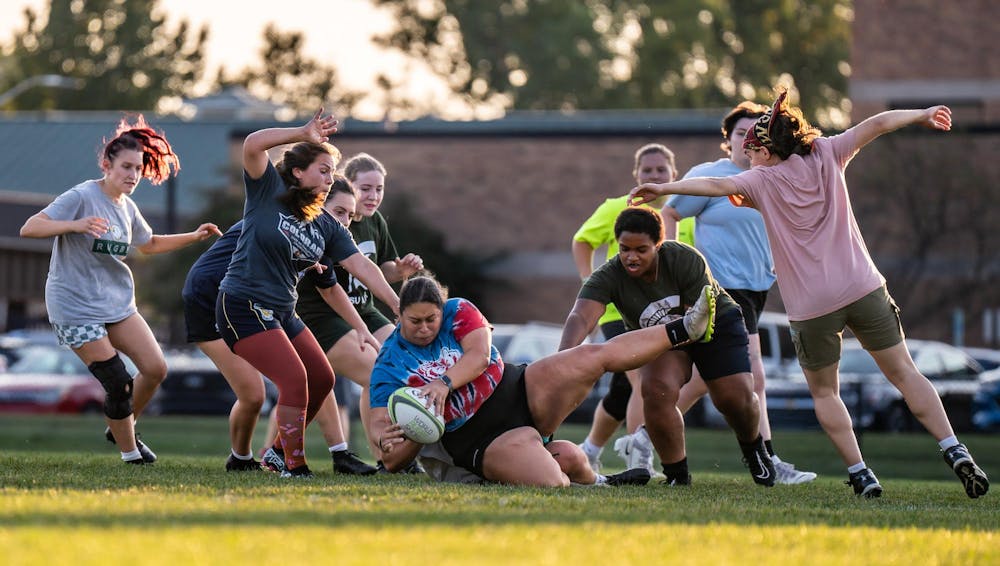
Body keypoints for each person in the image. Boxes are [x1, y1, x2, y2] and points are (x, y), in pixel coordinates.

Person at [630, 91, 989, 499]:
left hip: (812, 307)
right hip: (863, 287)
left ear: (766, 148)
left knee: (825, 392)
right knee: (905, 373)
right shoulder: (827, 152)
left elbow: (714, 184)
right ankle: (954, 448)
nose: (747, 159)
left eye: (751, 150)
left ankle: (861, 473)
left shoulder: (760, 179)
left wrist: (664, 186)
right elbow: (876, 124)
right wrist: (922, 113)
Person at [370, 273, 718, 487]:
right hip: (476, 439)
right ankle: (592, 479)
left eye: (431, 318)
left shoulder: (457, 310)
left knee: (590, 357)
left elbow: (478, 358)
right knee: (554, 477)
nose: (426, 327)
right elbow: (391, 459)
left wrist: (443, 384)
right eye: (414, 322)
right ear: (398, 315)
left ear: (441, 308)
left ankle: (684, 328)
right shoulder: (388, 365)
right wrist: (415, 429)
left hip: (517, 388)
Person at [19, 115, 222, 464]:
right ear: (106, 164)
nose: (132, 175)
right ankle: (131, 454)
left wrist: (194, 236)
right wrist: (76, 224)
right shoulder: (82, 196)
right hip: (75, 305)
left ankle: (120, 424)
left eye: (138, 169)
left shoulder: (127, 207)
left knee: (156, 369)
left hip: (117, 304)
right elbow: (29, 227)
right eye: (126, 167)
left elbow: (150, 243)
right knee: (117, 380)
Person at [217, 109, 399, 478]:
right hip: (242, 303)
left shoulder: (328, 225)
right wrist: (302, 133)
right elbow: (252, 145)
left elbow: (362, 267)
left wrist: (398, 306)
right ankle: (293, 465)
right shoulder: (269, 192)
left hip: (282, 311)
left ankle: (276, 454)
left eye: (333, 172)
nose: (331, 179)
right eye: (324, 170)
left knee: (322, 378)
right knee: (295, 380)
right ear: (298, 172)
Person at [660, 102, 817, 485]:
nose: (748, 140)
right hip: (721, 286)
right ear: (728, 140)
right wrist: (677, 271)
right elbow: (669, 213)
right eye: (740, 134)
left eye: (756, 134)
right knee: (755, 377)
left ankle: (645, 436)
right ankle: (768, 459)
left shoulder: (772, 176)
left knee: (709, 379)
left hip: (758, 288)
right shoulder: (711, 177)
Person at [561, 207, 775, 487]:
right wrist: (563, 357)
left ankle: (753, 448)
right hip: (666, 336)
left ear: (658, 245)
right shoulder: (610, 274)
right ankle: (677, 473)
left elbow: (694, 324)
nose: (631, 257)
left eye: (641, 249)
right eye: (625, 248)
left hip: (714, 324)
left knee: (732, 398)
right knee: (655, 389)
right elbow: (581, 316)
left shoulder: (684, 258)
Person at [182, 177, 376, 474]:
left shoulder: (320, 237)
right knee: (255, 394)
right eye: (339, 212)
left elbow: (331, 289)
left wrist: (361, 326)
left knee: (316, 377)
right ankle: (248, 458)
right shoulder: (283, 221)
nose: (345, 222)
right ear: (318, 203)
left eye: (351, 215)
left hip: (259, 305)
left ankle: (271, 455)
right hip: (210, 298)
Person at [294, 152, 424, 473]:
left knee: (407, 365)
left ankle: (390, 455)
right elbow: (331, 286)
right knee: (377, 374)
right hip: (323, 314)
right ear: (344, 186)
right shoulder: (321, 223)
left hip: (363, 310)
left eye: (379, 189)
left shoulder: (374, 222)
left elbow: (377, 270)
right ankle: (385, 456)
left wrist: (401, 271)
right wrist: (396, 307)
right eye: (365, 189)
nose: (373, 196)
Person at [571, 143, 687, 475]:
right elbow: (582, 241)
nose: (654, 175)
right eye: (647, 170)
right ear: (636, 175)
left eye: (660, 170)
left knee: (624, 389)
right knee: (641, 379)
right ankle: (640, 458)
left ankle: (590, 450)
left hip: (661, 314)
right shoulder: (615, 208)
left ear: (673, 175)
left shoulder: (680, 213)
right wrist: (588, 281)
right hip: (618, 312)